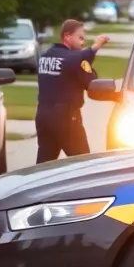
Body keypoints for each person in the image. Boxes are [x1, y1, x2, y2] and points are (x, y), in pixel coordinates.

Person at [35, 19, 108, 164]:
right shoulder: (74, 59)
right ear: (68, 37)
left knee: (43, 166)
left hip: (43, 117)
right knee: (83, 164)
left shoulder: (45, 57)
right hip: (67, 118)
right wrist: (94, 49)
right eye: (80, 38)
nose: (82, 43)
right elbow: (92, 82)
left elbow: (71, 62)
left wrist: (89, 54)